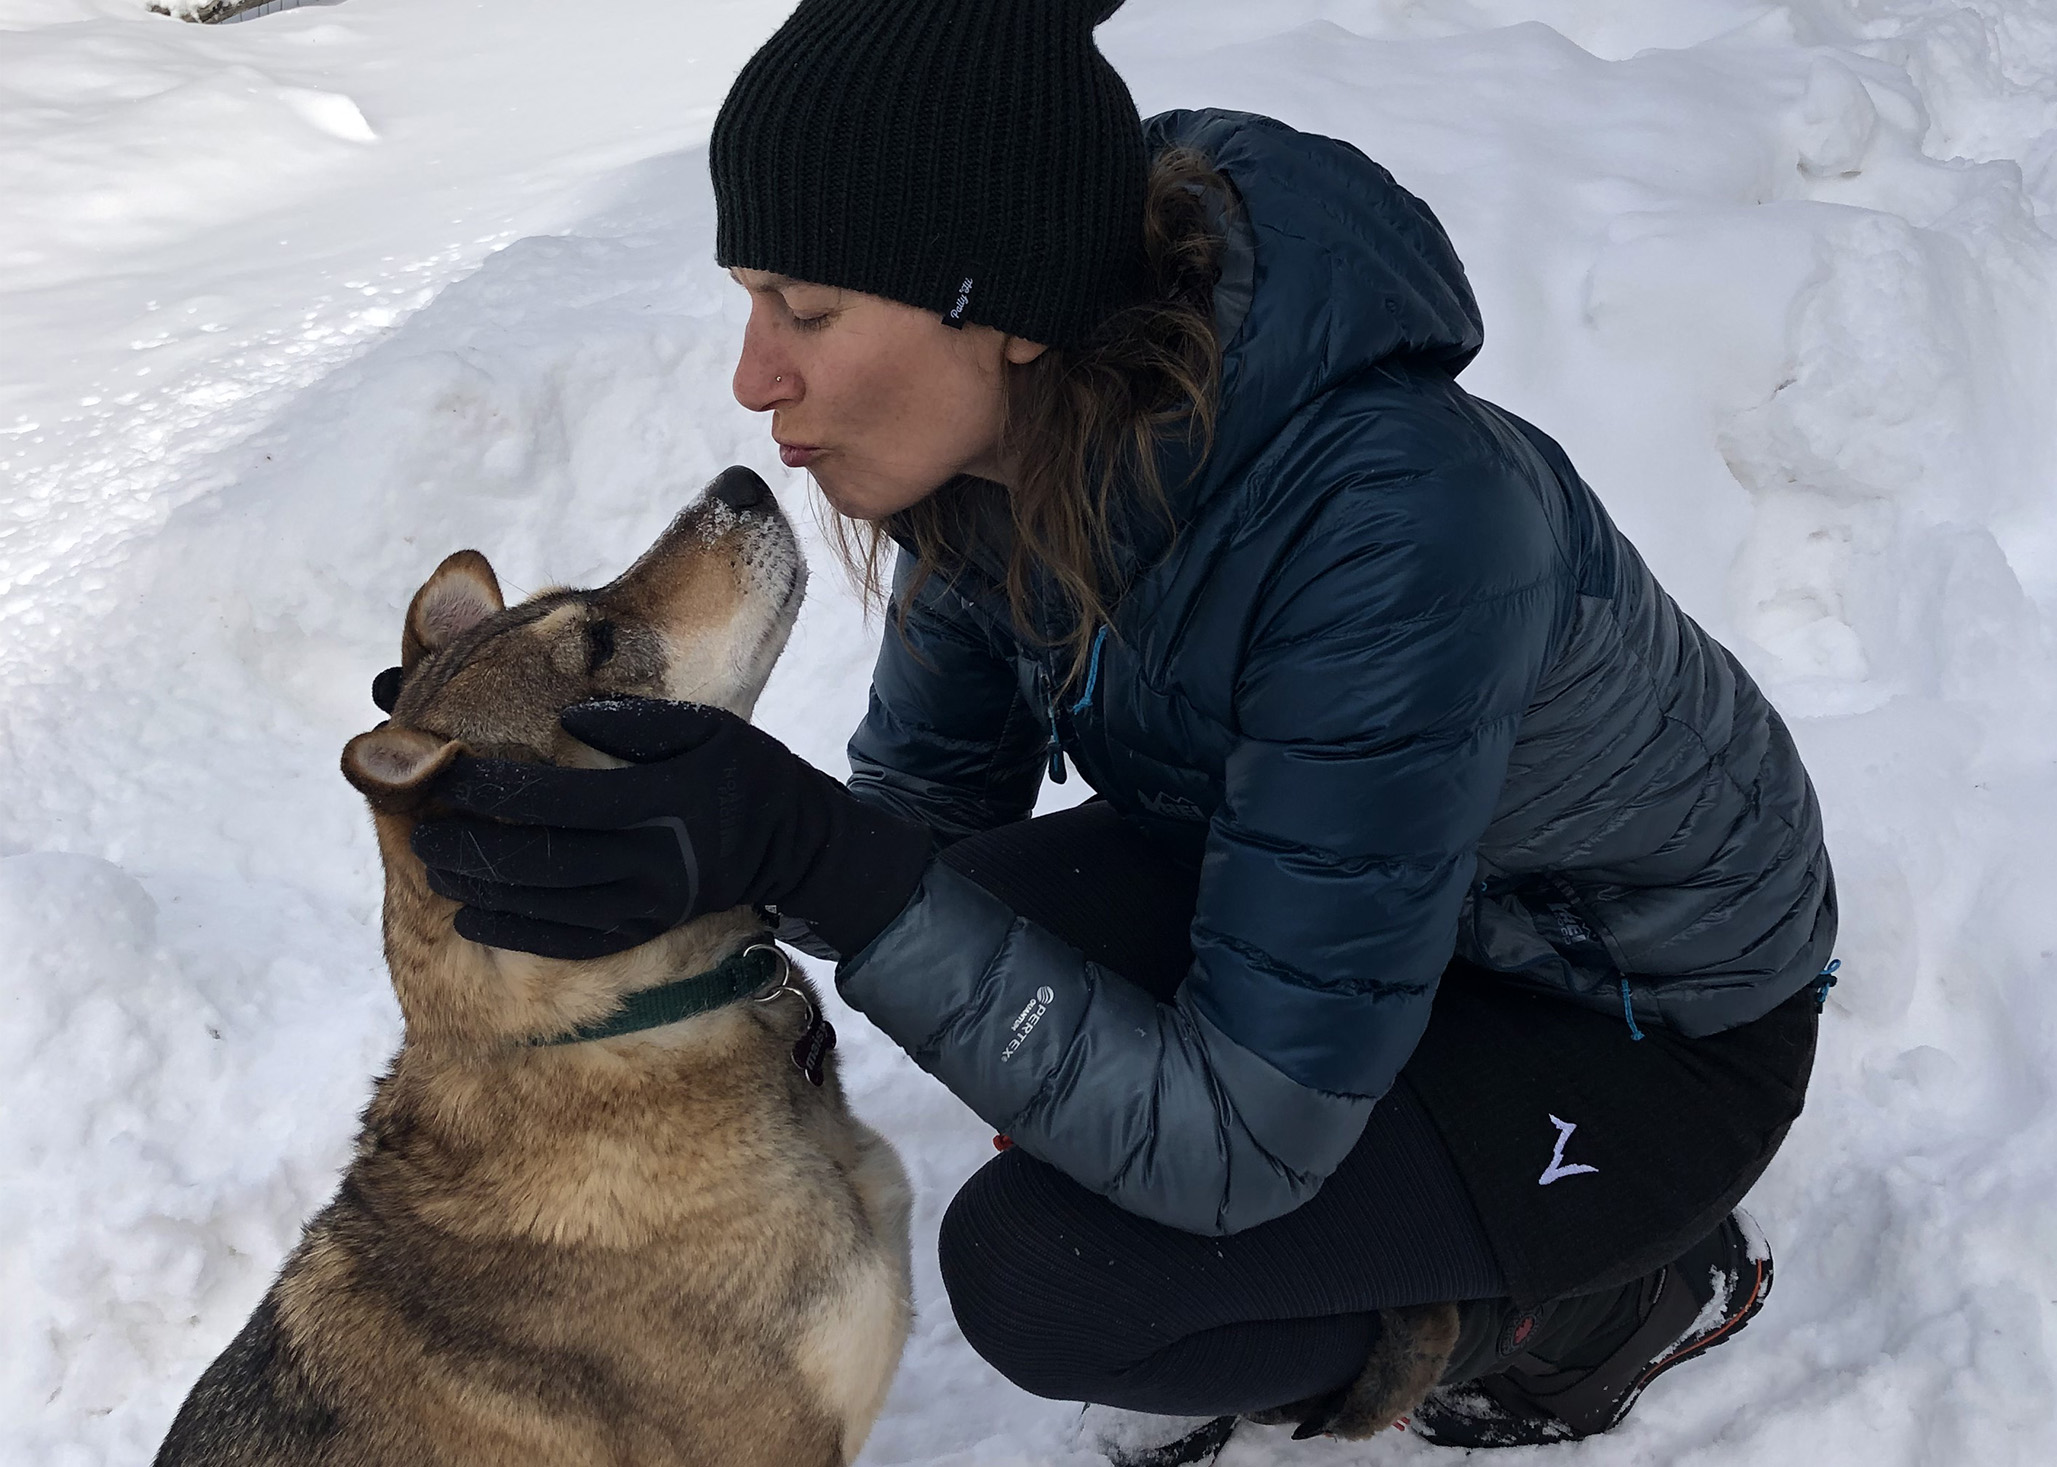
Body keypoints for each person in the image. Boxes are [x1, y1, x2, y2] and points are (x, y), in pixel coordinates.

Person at [403, 0, 1837, 1458]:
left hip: (1629, 1020)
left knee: (1048, 1281)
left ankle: (1602, 1305)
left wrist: (812, 854)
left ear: (1005, 306)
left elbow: (1239, 1146)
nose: (755, 373)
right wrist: (700, 845)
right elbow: (919, 834)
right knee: (983, 924)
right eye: (754, 303)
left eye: (809, 310)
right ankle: (1390, 1228)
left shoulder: (1394, 530)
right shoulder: (1003, 461)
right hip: (1366, 926)